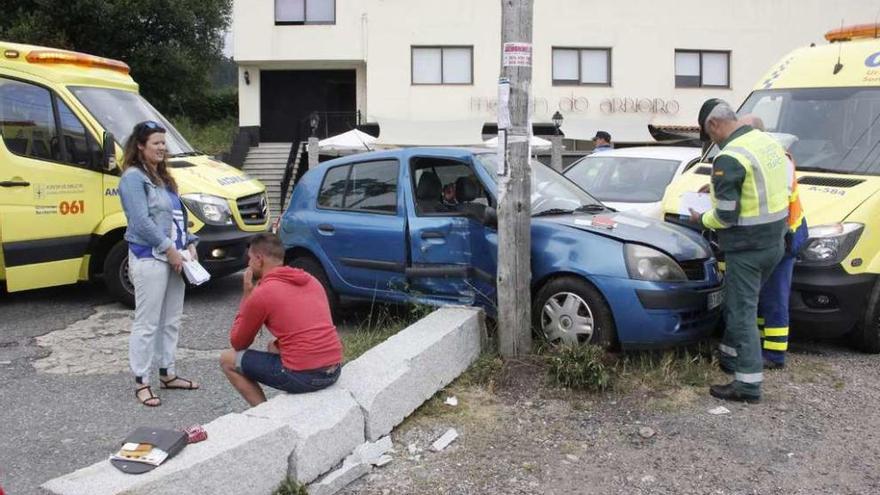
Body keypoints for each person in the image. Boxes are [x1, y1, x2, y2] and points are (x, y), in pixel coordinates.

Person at [689, 99, 790, 403]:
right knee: (742, 303)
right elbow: (758, 184)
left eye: (710, 136)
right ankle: (730, 357)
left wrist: (701, 218)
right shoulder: (764, 140)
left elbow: (725, 217)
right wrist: (718, 190)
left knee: (742, 311)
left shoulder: (729, 156)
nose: (713, 142)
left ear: (713, 125)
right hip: (775, 241)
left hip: (747, 247)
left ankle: (747, 384)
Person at [119, 120, 200, 407]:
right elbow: (140, 222)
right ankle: (142, 381)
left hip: (175, 258)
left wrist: (190, 242)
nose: (162, 148)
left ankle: (168, 373)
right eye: (156, 143)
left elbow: (176, 217)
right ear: (140, 146)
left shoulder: (164, 179)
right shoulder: (133, 178)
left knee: (171, 320)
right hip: (150, 257)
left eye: (164, 143)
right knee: (148, 322)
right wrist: (169, 249)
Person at [219, 233, 343, 406]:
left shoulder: (263, 293)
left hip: (307, 377)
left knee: (227, 359)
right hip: (334, 370)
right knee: (273, 346)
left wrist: (247, 295)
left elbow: (239, 343)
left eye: (250, 259)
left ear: (259, 259)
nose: (248, 264)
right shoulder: (311, 280)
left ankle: (266, 414)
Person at [737, 115, 809, 370]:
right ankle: (759, 346)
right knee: (761, 295)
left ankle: (775, 354)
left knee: (775, 297)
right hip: (777, 234)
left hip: (785, 235)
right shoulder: (771, 156)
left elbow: (769, 195)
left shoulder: (777, 159)